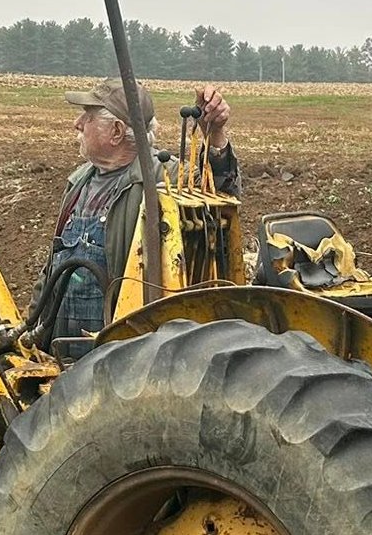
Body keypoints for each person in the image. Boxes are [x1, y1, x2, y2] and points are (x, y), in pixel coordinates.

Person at [29, 77, 240, 356]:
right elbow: (53, 268)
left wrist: (214, 136)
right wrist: (30, 327)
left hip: (119, 355)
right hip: (59, 351)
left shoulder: (164, 179)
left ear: (116, 131)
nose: (77, 124)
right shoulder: (78, 182)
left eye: (88, 117)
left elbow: (221, 197)